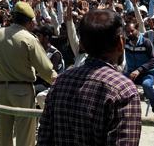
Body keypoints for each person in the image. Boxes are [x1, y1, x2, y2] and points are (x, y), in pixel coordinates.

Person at [37, 9, 141, 146]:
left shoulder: (59, 82)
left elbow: (44, 140)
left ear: (83, 44)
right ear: (120, 42)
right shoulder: (124, 90)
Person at [0, 2, 57, 146]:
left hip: (1, 91)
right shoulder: (30, 39)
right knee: (25, 138)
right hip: (23, 91)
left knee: (4, 137)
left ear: (12, 17)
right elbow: (46, 70)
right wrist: (60, 84)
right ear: (31, 21)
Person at [123, 22, 154, 117]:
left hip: (147, 74)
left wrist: (140, 70)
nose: (130, 34)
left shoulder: (146, 42)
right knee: (117, 80)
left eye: (132, 31)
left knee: (147, 85)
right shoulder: (126, 42)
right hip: (131, 74)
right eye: (127, 32)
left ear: (138, 30)